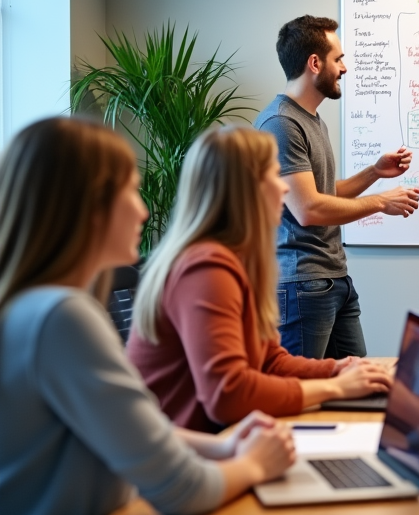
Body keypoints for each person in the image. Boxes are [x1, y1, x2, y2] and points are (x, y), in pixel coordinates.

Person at [0, 118, 295, 515]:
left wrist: (222, 447)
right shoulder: (62, 317)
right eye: (132, 192)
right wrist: (254, 464)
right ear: (90, 206)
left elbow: (123, 430)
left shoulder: (32, 309)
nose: (143, 211)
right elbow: (182, 490)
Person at [127, 125, 393, 433]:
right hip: (187, 462)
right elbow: (227, 394)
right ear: (246, 190)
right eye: (274, 176)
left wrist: (336, 369)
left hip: (222, 444)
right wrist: (337, 388)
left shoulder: (235, 260)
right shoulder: (205, 268)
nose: (284, 189)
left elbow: (270, 361)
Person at [254, 15, 419, 360]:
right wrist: (380, 202)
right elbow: (308, 210)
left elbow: (320, 193)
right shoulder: (281, 123)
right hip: (304, 284)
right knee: (302, 399)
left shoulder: (309, 119)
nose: (344, 68)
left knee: (358, 386)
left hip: (333, 280)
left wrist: (374, 172)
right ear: (315, 63)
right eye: (339, 59)